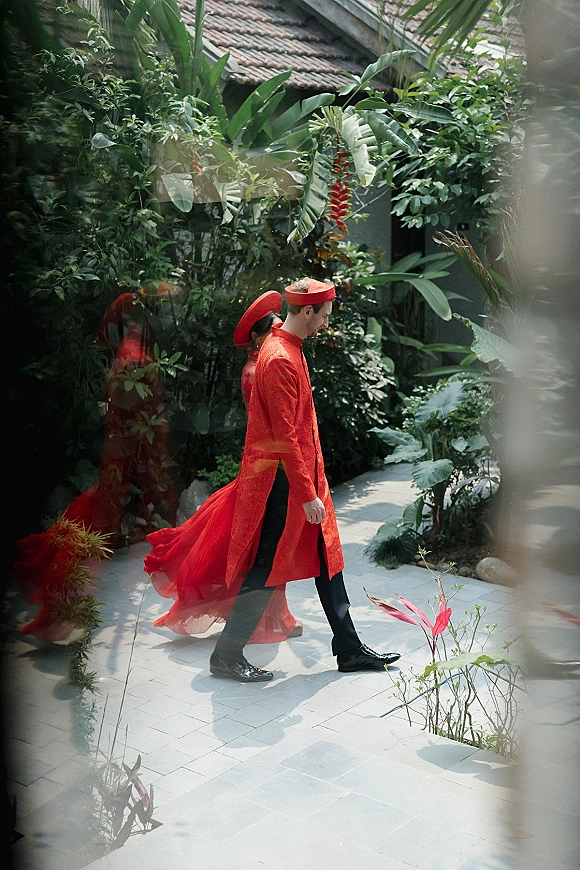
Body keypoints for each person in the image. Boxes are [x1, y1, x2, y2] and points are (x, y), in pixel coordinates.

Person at [208, 277, 401, 682]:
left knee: (328, 560)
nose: (327, 324)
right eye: (325, 316)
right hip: (283, 482)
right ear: (307, 311)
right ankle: (226, 654)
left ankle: (348, 649)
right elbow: (285, 438)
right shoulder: (278, 357)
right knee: (266, 567)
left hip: (299, 478)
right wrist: (306, 493)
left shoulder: (288, 348)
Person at [145, 291, 302, 643]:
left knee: (268, 545)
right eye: (275, 328)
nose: (280, 333)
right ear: (260, 336)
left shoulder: (266, 361)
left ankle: (276, 616)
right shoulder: (259, 368)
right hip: (266, 466)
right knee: (260, 546)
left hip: (270, 465)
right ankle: (261, 620)